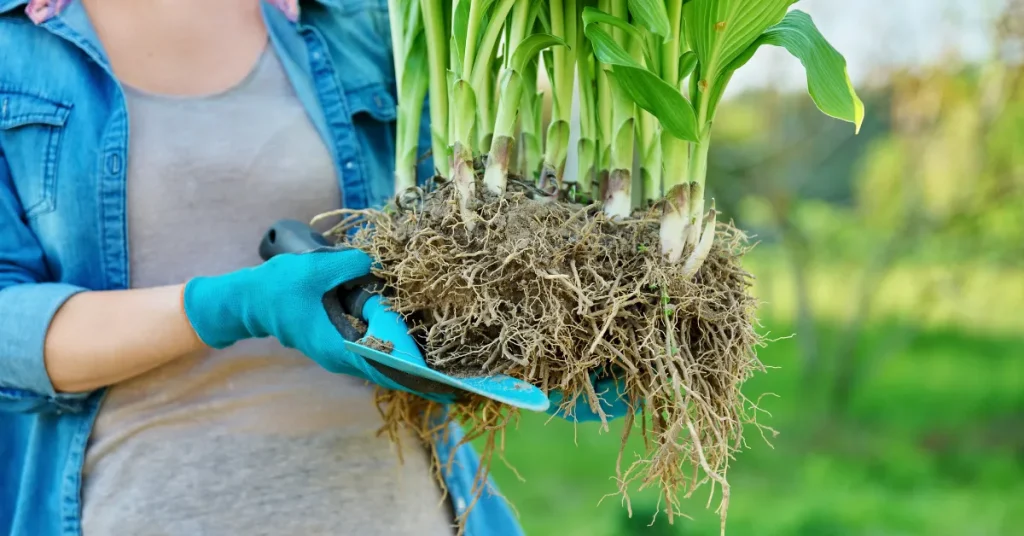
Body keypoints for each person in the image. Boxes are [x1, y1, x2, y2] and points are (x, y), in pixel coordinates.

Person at [0, 1, 632, 535]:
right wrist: (232, 306)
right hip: (145, 509)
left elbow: (454, 235)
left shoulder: (357, 20)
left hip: (400, 507)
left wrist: (550, 342)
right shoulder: (15, 46)